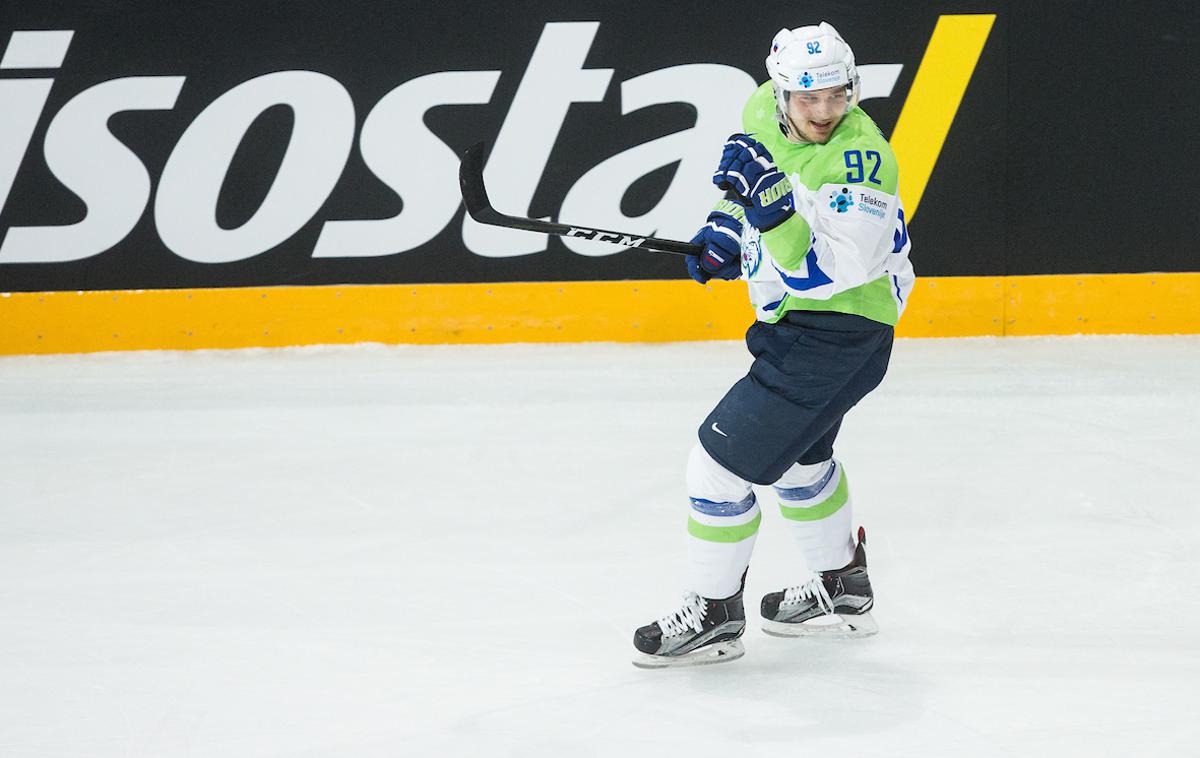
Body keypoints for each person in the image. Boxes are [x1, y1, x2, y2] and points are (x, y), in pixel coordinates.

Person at [632, 21, 915, 668]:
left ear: (852, 90)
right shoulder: (762, 107)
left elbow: (829, 273)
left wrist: (771, 213)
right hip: (801, 325)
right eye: (808, 98)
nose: (823, 111)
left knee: (716, 465)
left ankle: (712, 611)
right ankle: (843, 590)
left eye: (837, 96)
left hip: (838, 329)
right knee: (799, 462)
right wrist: (723, 231)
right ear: (782, 91)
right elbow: (745, 184)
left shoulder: (863, 158)